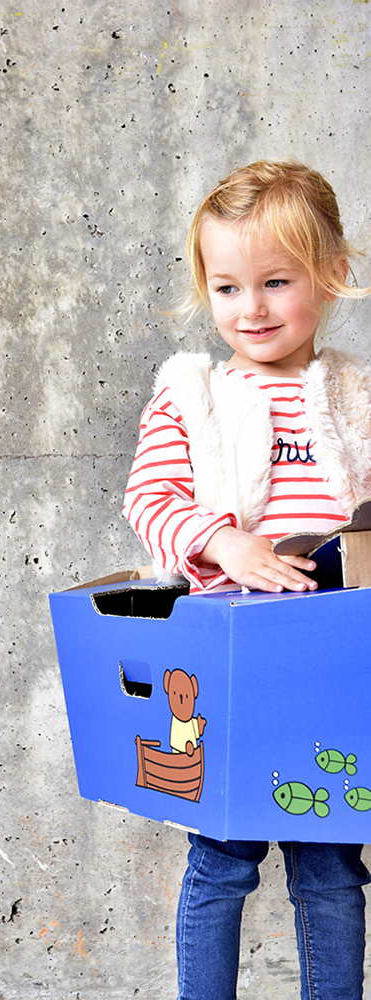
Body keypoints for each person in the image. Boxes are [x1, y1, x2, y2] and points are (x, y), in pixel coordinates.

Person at [122, 160, 371, 1000]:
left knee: (331, 863)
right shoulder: (192, 396)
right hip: (229, 665)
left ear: (331, 274)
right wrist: (224, 542)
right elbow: (149, 501)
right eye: (226, 287)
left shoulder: (355, 396)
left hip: (330, 667)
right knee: (219, 858)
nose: (250, 308)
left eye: (273, 282)